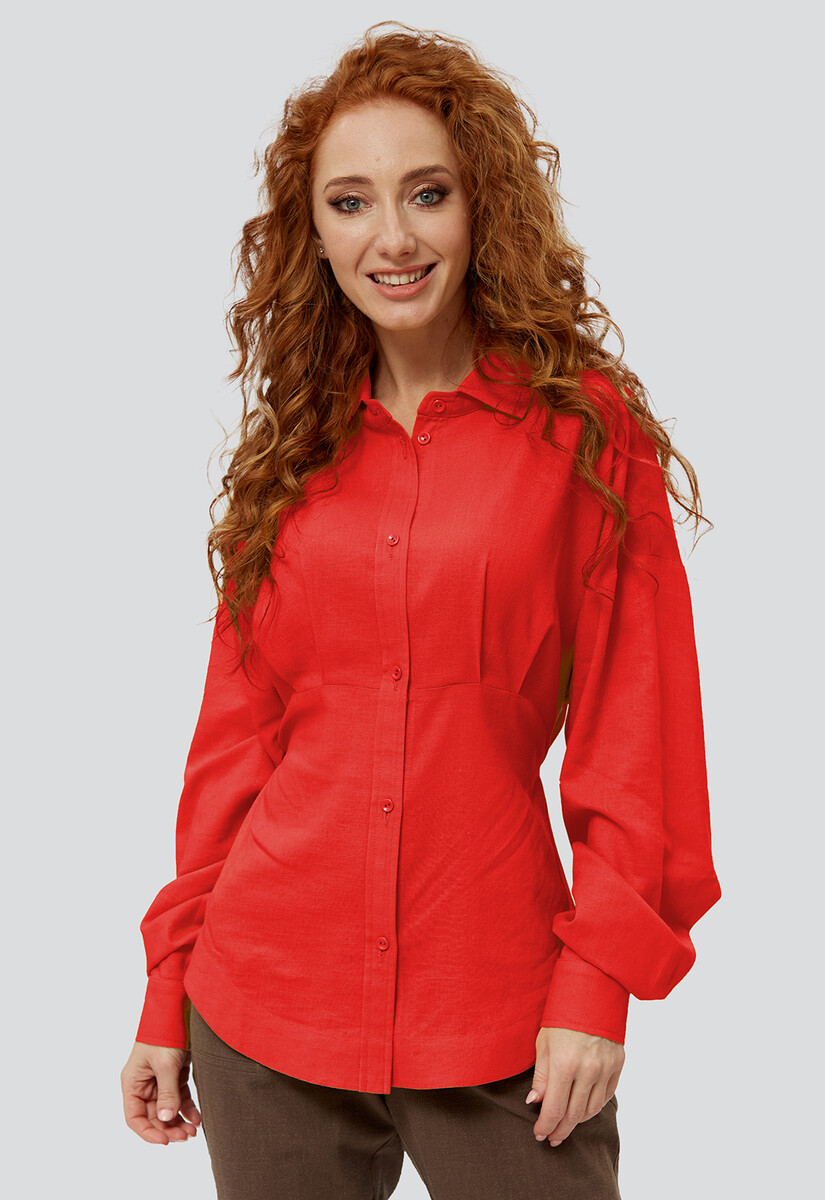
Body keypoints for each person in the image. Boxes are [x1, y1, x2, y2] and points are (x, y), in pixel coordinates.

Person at [120, 20, 722, 1199]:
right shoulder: (293, 454)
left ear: (481, 205)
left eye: (426, 194)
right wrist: (165, 987)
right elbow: (236, 744)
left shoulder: (584, 437)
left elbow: (638, 733)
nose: (390, 237)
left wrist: (599, 980)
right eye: (349, 203)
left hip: (502, 1017)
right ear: (314, 235)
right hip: (263, 1011)